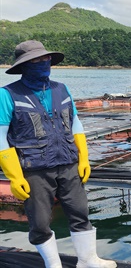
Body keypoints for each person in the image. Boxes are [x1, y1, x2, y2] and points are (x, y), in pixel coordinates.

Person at [0, 40, 116, 268]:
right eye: (35, 60)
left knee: (80, 212)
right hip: (34, 168)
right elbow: (1, 136)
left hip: (68, 162)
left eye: (45, 58)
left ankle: (88, 259)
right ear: (23, 65)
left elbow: (76, 124)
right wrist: (14, 176)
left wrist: (84, 158)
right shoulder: (8, 95)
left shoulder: (61, 89)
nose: (43, 63)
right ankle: (53, 265)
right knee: (40, 222)